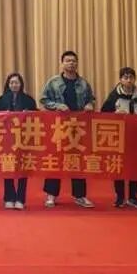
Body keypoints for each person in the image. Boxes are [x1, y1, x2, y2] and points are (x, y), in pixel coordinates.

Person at [40, 50, 96, 208]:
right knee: (55, 159)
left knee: (77, 160)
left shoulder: (83, 83)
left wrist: (89, 104)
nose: (71, 63)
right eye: (68, 60)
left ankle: (79, 195)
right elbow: (43, 100)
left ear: (77, 64)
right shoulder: (53, 82)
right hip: (58, 126)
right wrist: (57, 105)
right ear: (62, 63)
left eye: (73, 61)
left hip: (78, 127)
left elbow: (91, 99)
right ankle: (51, 194)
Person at [101, 67, 137, 209]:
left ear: (135, 79)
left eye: (131, 77)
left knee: (136, 166)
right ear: (120, 79)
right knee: (118, 166)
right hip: (119, 137)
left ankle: (133, 197)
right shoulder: (114, 96)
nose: (128, 80)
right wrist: (115, 113)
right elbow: (103, 112)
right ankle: (120, 197)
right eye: (125, 77)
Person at [0, 72, 37, 210]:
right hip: (6, 139)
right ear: (8, 84)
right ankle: (9, 197)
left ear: (21, 84)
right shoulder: (1, 100)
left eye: (16, 82)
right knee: (8, 166)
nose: (14, 85)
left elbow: (36, 116)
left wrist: (28, 114)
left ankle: (21, 199)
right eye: (11, 82)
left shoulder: (28, 99)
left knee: (23, 168)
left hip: (24, 138)